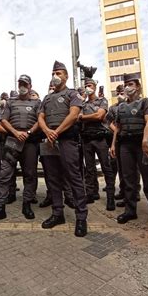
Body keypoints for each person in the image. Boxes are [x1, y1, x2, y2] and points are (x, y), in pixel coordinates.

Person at [38, 60, 88, 237]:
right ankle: (57, 213)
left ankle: (81, 217)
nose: (55, 76)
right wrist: (47, 131)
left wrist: (56, 132)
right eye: (53, 73)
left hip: (66, 141)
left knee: (74, 178)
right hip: (49, 141)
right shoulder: (46, 98)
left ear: (66, 76)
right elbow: (41, 117)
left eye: (59, 73)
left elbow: (74, 114)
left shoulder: (72, 94)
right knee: (53, 179)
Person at [110, 73, 148, 233]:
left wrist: (145, 140)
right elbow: (117, 127)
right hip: (125, 144)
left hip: (142, 143)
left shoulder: (144, 102)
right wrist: (113, 145)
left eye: (131, 83)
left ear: (138, 86)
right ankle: (130, 210)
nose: (128, 87)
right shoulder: (120, 107)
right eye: (126, 83)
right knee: (128, 179)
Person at [0, 75, 41, 223]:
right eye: (20, 83)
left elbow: (41, 121)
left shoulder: (37, 103)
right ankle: (0, 208)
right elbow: (3, 120)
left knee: (30, 174)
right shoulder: (10, 102)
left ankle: (27, 204)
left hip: (29, 142)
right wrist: (15, 132)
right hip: (12, 141)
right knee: (4, 175)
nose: (22, 86)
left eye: (25, 84)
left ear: (30, 86)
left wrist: (28, 133)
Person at [80, 77, 116, 210]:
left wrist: (83, 117)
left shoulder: (102, 101)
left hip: (100, 139)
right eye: (86, 86)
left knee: (106, 168)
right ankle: (91, 193)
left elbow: (99, 116)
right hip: (87, 139)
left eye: (90, 85)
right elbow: (77, 116)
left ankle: (110, 197)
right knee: (89, 169)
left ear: (95, 86)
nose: (88, 87)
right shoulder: (82, 104)